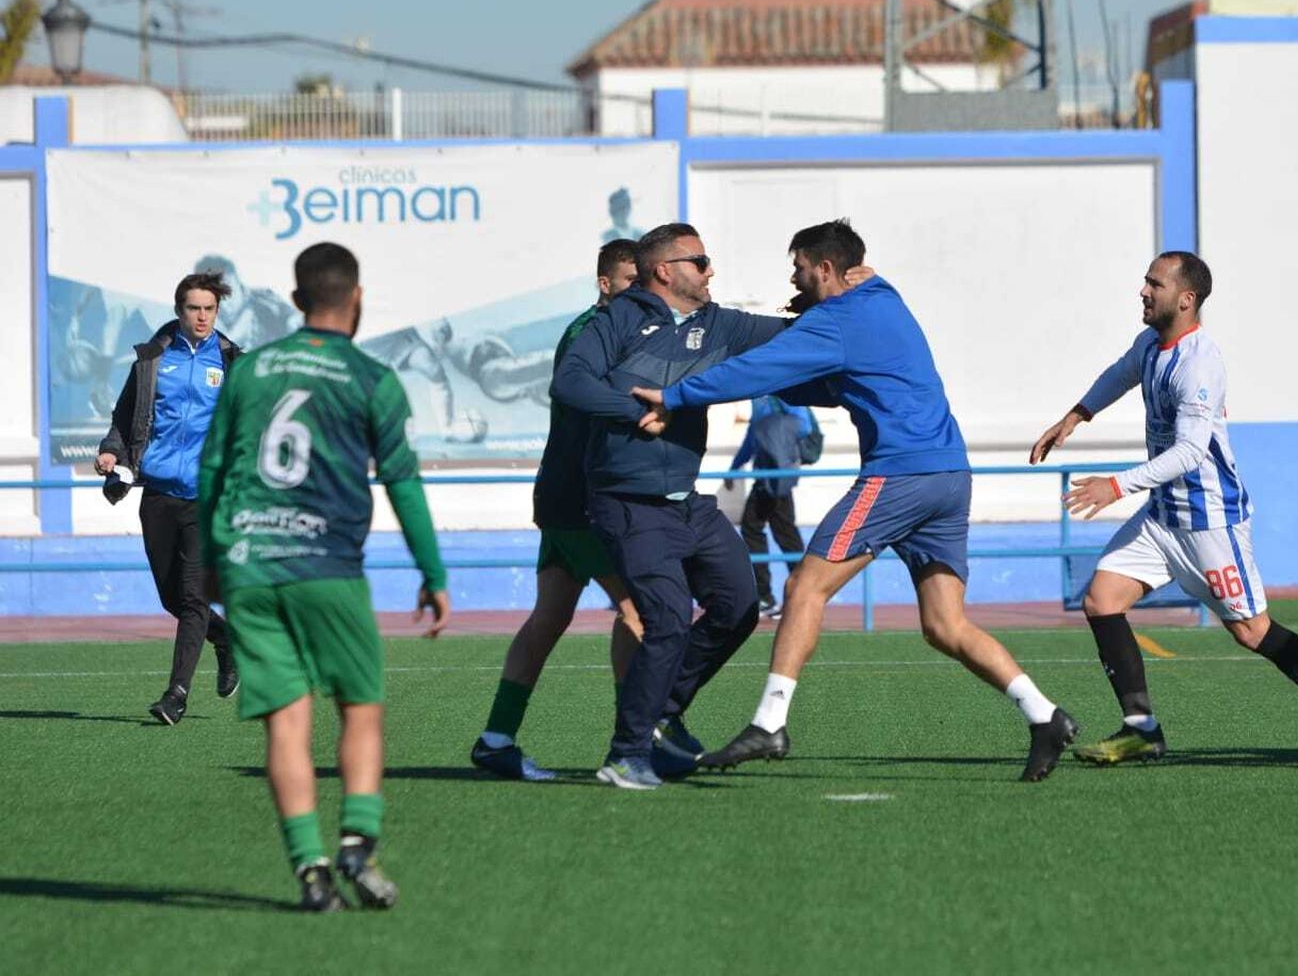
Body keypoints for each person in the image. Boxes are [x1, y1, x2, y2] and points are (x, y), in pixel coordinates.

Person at [635, 219, 1077, 783]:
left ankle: (770, 722)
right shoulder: (882, 300)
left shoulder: (839, 319)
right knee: (945, 625)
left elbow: (762, 366)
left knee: (804, 587)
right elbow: (824, 383)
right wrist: (802, 335)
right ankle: (1045, 716)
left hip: (901, 474)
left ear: (823, 269)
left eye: (798, 269)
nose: (793, 281)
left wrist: (678, 393)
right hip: (949, 475)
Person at [551, 222, 869, 790]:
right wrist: (634, 413)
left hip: (687, 505)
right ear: (665, 271)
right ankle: (625, 754)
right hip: (626, 502)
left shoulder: (717, 323)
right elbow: (570, 383)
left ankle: (660, 716)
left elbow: (792, 336)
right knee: (668, 619)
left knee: (739, 605)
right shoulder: (618, 318)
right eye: (700, 261)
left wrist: (851, 295)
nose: (710, 269)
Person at [1029, 252, 1298, 765]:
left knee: (1252, 632)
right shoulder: (1151, 345)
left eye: (1153, 284)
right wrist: (1075, 417)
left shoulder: (1200, 362)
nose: (1142, 291)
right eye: (1145, 281)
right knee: (1102, 600)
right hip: (1164, 517)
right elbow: (1121, 373)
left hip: (1210, 523)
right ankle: (1142, 729)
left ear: (1186, 299)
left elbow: (1189, 453)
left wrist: (1115, 487)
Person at [198, 242, 450, 912]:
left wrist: (209, 559)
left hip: (250, 562)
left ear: (295, 296)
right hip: (328, 567)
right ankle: (358, 843)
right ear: (356, 297)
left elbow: (211, 471)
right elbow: (403, 481)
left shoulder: (249, 370)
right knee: (359, 706)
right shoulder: (372, 377)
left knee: (286, 720)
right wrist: (433, 572)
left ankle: (309, 868)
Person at [470, 240, 646, 781]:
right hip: (579, 500)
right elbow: (585, 396)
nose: (639, 291)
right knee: (640, 613)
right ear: (605, 284)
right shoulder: (590, 333)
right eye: (629, 281)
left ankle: (496, 738)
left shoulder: (621, 331)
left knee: (550, 617)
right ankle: (631, 745)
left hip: (565, 495)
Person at [96, 271, 243, 726]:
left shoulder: (233, 362)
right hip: (157, 492)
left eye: (210, 309)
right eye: (194, 308)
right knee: (171, 597)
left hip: (206, 497)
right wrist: (110, 450)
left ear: (217, 311)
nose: (202, 317)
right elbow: (124, 416)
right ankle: (228, 640)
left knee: (195, 598)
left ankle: (176, 694)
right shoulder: (153, 359)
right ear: (179, 310)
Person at [729, 395, 817, 619]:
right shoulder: (762, 398)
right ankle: (799, 594)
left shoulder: (776, 393)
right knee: (783, 532)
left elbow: (802, 426)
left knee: (758, 530)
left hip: (776, 476)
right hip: (773, 476)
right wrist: (734, 467)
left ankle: (774, 596)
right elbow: (753, 436)